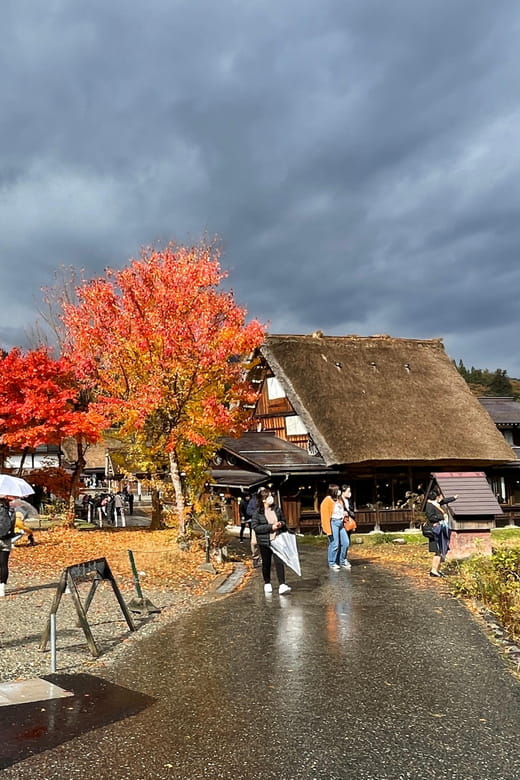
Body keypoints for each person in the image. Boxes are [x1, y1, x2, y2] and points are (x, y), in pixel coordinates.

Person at [251, 487, 291, 595]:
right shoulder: (257, 513)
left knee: (279, 561)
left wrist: (280, 524)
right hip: (265, 541)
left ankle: (282, 584)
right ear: (263, 499)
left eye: (271, 495)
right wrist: (270, 527)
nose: (271, 498)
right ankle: (267, 582)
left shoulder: (276, 509)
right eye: (268, 496)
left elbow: (283, 520)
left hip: (277, 539)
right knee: (266, 562)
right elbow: (255, 527)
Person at [424, 490, 457, 577]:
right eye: (439, 497)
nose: (440, 499)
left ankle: (437, 570)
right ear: (436, 497)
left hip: (439, 529)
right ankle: (434, 570)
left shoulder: (435, 504)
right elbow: (431, 517)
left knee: (441, 550)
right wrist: (442, 516)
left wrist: (454, 498)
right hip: (435, 530)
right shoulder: (430, 505)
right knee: (438, 551)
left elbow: (444, 501)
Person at [320, 484, 349, 571]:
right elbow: (325, 516)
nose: (339, 491)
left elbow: (341, 509)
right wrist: (328, 530)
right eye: (337, 490)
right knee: (334, 544)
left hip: (340, 522)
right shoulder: (327, 501)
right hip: (333, 522)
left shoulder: (339, 499)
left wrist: (344, 514)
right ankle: (332, 562)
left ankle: (342, 560)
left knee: (346, 542)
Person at [0, 495, 17, 597]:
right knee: (4, 564)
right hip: (6, 540)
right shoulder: (11, 511)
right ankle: (2, 587)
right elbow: (13, 525)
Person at [340, 485, 354, 569]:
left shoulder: (349, 500)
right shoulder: (339, 500)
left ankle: (343, 558)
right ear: (343, 491)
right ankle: (342, 559)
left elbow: (352, 510)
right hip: (341, 522)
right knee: (343, 542)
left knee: (347, 541)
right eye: (348, 491)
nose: (350, 493)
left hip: (348, 522)